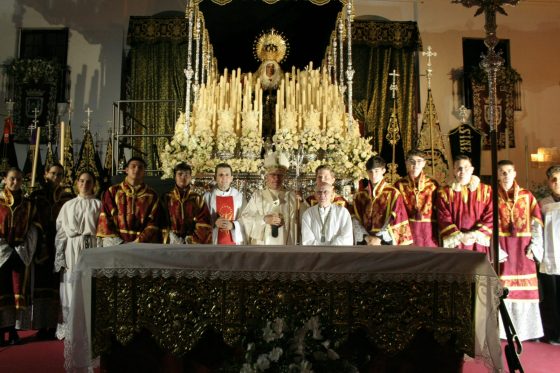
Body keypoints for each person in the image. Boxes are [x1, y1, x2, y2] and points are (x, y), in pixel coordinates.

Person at [495, 160, 544, 341]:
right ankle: (504, 331)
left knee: (526, 290)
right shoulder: (493, 197)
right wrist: (496, 250)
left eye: (509, 171)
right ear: (498, 175)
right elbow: (489, 225)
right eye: (502, 172)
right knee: (505, 290)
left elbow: (537, 224)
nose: (506, 175)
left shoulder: (526, 196)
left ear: (515, 173)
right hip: (504, 250)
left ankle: (526, 331)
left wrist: (535, 246)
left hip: (523, 250)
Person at [54, 170, 102, 339]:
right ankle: (70, 327)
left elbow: (102, 231)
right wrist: (59, 255)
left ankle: (88, 328)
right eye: (81, 181)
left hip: (91, 246)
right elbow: (60, 231)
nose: (84, 184)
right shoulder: (68, 205)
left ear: (93, 184)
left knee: (88, 286)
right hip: (71, 247)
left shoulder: (98, 205)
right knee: (70, 287)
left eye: (88, 181)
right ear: (76, 183)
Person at [30, 162, 73, 339]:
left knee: (57, 286)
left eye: (60, 175)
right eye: (54, 174)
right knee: (41, 286)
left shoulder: (67, 198)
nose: (57, 178)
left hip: (59, 245)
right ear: (46, 174)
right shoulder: (36, 196)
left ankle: (56, 325)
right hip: (41, 244)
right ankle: (41, 325)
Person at [0, 168, 38, 345]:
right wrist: (5, 250)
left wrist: (22, 249)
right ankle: (1, 330)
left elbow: (33, 228)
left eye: (19, 179)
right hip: (1, 255)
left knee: (17, 291)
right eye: (12, 179)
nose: (16, 182)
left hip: (20, 254)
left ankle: (14, 330)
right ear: (5, 180)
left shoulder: (28, 204)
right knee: (2, 293)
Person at [97, 157, 161, 245]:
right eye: (133, 166)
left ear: (144, 172)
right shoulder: (113, 191)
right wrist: (119, 242)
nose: (137, 169)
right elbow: (105, 217)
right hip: (116, 244)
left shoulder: (152, 195)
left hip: (141, 246)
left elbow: (153, 223)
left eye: (140, 167)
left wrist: (137, 242)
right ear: (126, 170)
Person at [436, 154, 493, 254]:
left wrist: (475, 234)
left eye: (466, 168)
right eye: (459, 168)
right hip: (456, 243)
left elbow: (491, 214)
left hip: (477, 242)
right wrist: (459, 236)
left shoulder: (486, 191)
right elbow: (443, 217)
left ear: (472, 169)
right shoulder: (444, 192)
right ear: (453, 170)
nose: (462, 171)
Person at [352, 155, 413, 246]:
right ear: (367, 173)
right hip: (365, 241)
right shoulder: (360, 196)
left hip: (385, 241)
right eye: (370, 172)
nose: (373, 175)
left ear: (383, 171)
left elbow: (395, 217)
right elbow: (355, 218)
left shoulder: (393, 193)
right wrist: (366, 237)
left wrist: (379, 238)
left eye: (377, 171)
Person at [240, 151, 298, 245]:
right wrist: (264, 219)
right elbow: (246, 217)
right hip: (262, 244)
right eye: (273, 175)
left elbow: (303, 218)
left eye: (280, 175)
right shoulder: (257, 196)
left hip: (286, 244)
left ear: (284, 177)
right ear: (266, 176)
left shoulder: (292, 196)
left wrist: (301, 202)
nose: (276, 178)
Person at [394, 149, 440, 247]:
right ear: (406, 162)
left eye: (419, 161)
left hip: (429, 232)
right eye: (412, 161)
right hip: (408, 230)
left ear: (424, 163)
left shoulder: (433, 184)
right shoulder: (399, 185)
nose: (415, 164)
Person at [162, 162, 212, 244]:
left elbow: (204, 222)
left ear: (190, 177)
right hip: (171, 242)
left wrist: (191, 239)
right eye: (180, 174)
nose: (183, 177)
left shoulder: (197, 198)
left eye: (186, 175)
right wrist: (169, 236)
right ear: (174, 177)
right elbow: (161, 220)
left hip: (192, 243)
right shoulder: (166, 198)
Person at [539, 165, 560, 344]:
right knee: (551, 297)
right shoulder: (543, 204)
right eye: (553, 179)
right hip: (549, 257)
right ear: (548, 182)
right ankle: (553, 332)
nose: (557, 183)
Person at [203, 163, 245, 245]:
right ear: (215, 178)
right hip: (213, 241)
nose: (224, 178)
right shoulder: (207, 196)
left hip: (234, 242)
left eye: (227, 175)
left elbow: (246, 218)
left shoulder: (239, 197)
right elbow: (201, 220)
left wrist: (233, 225)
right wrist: (214, 223)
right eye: (220, 175)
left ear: (231, 178)